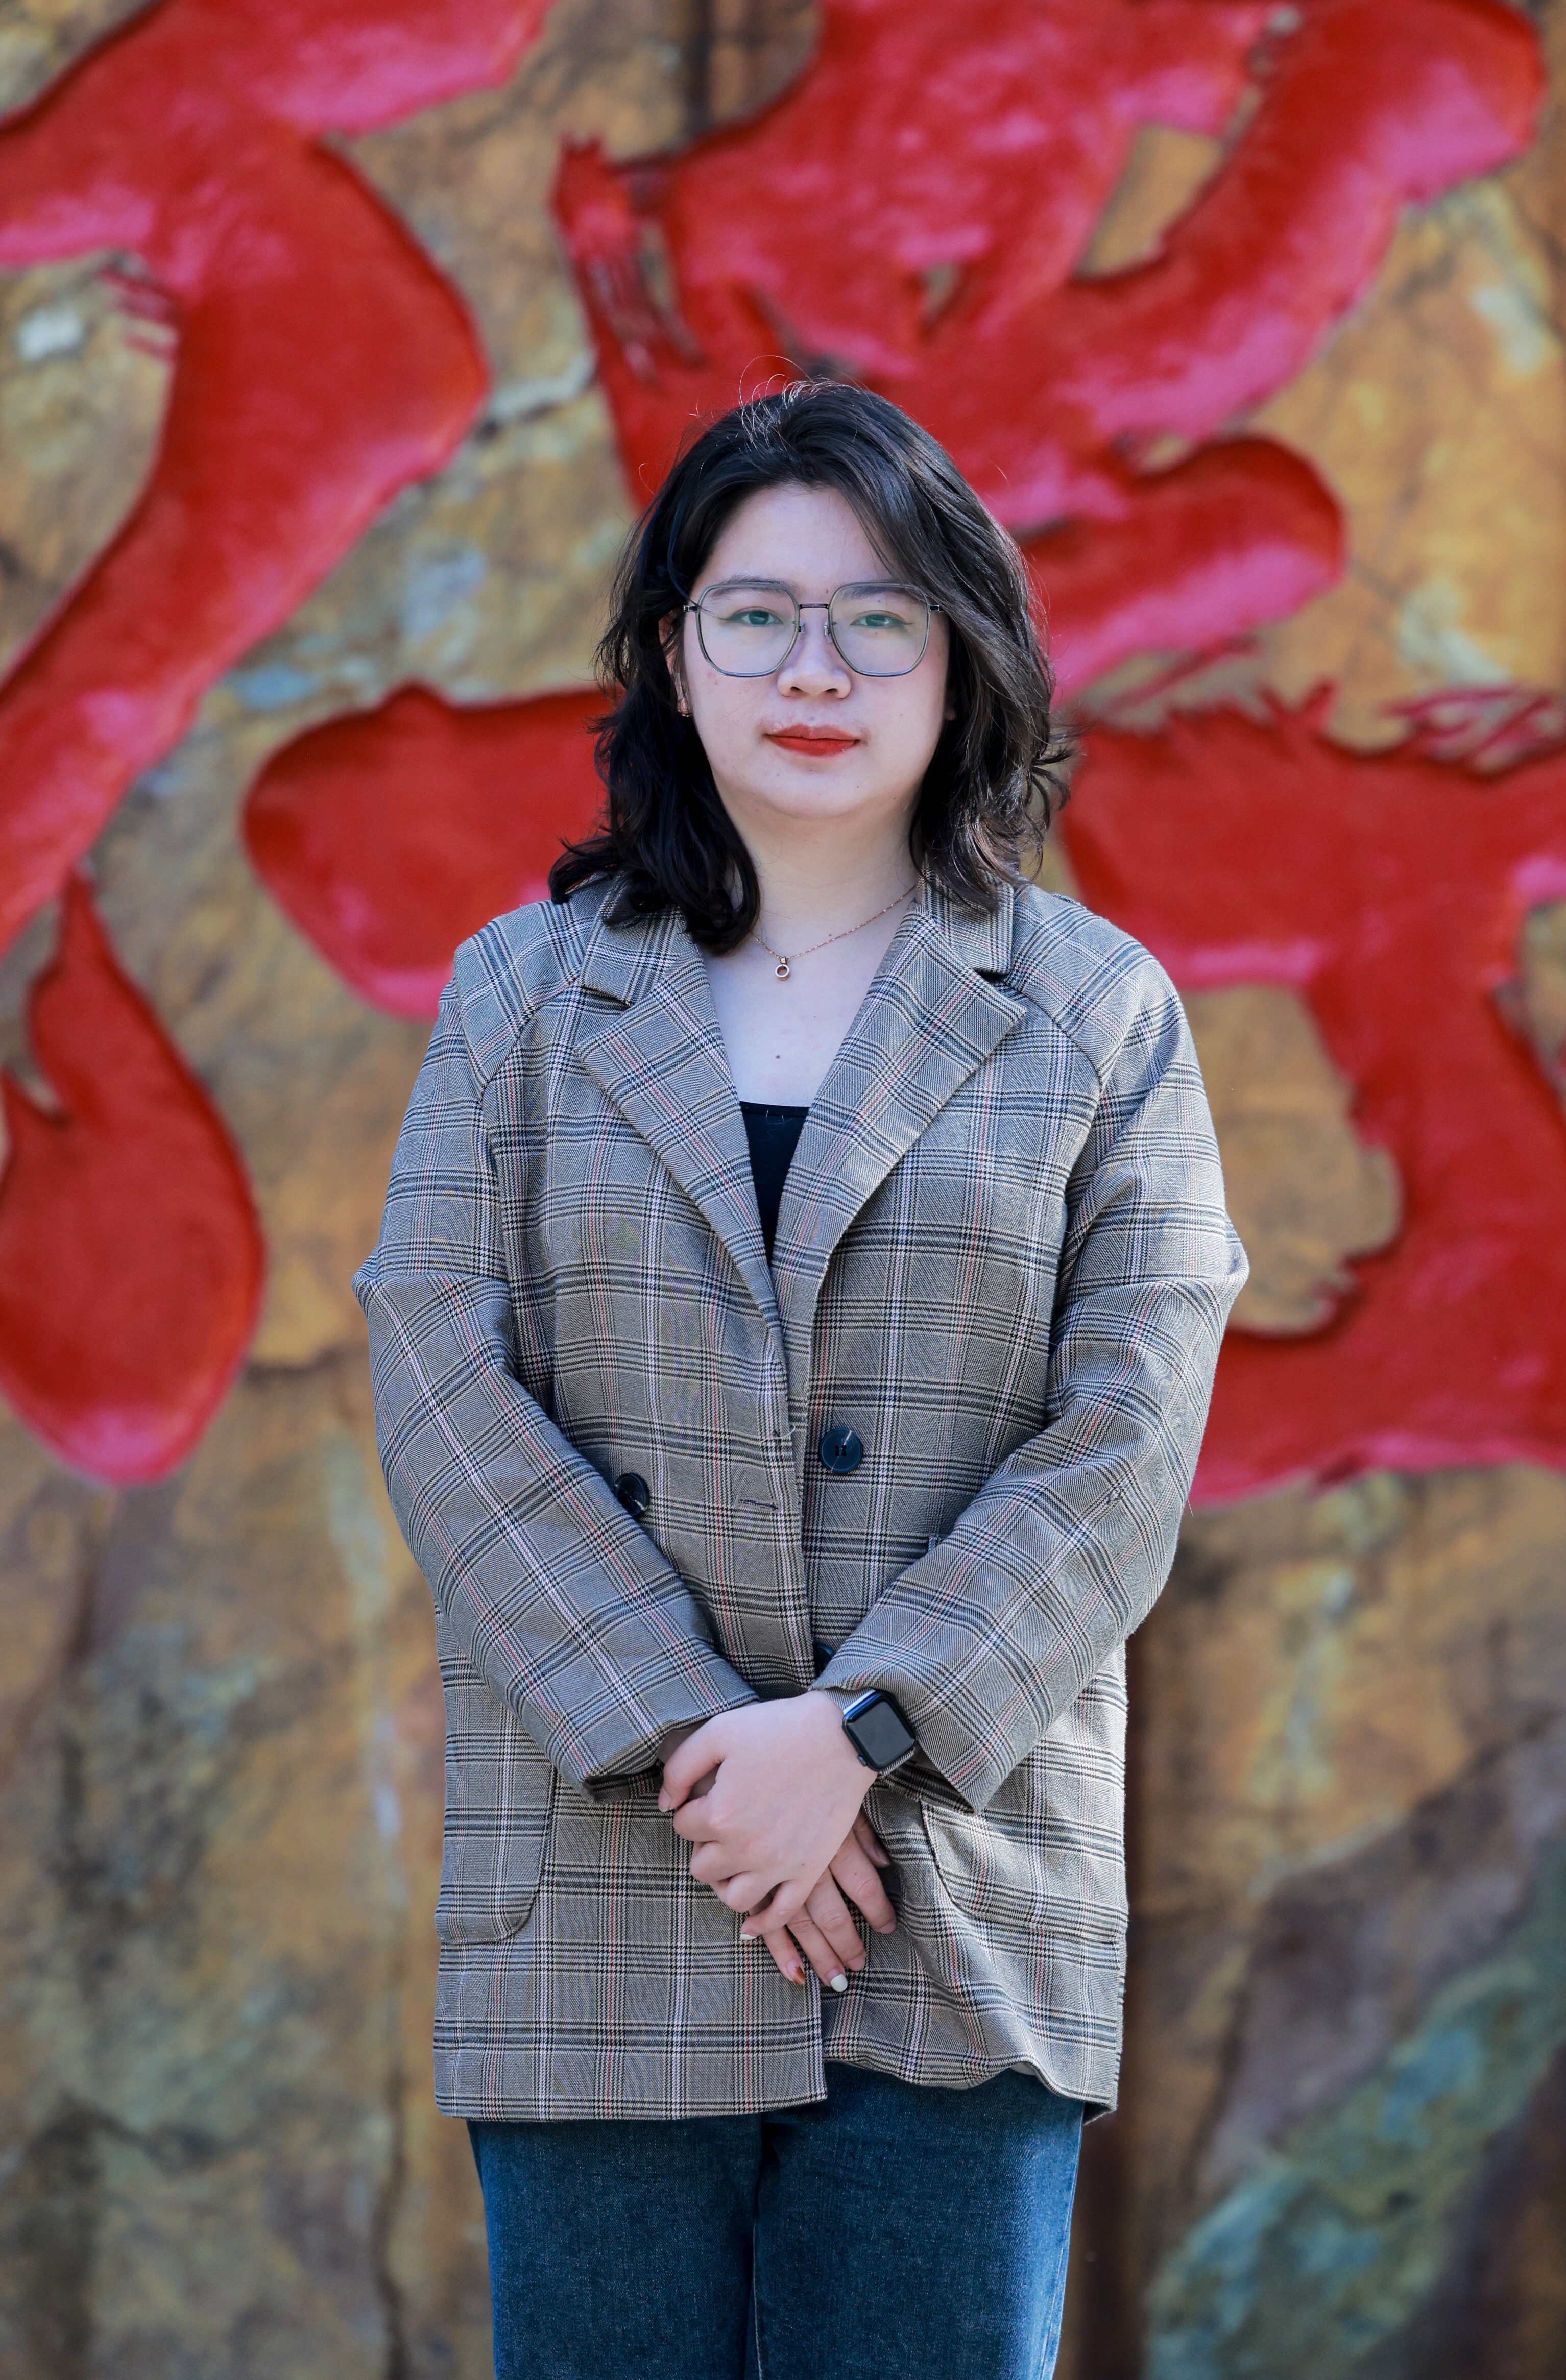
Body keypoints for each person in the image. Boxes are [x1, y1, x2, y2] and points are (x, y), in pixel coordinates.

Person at [355, 381, 1247, 2380]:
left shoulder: (1097, 1014)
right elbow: (438, 1374)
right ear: (674, 657)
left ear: (964, 657)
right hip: (608, 1879)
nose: (814, 671)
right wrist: (712, 1746)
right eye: (755, 615)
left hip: (954, 1884)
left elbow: (1128, 1431)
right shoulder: (523, 996)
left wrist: (860, 1731)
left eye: (878, 617)